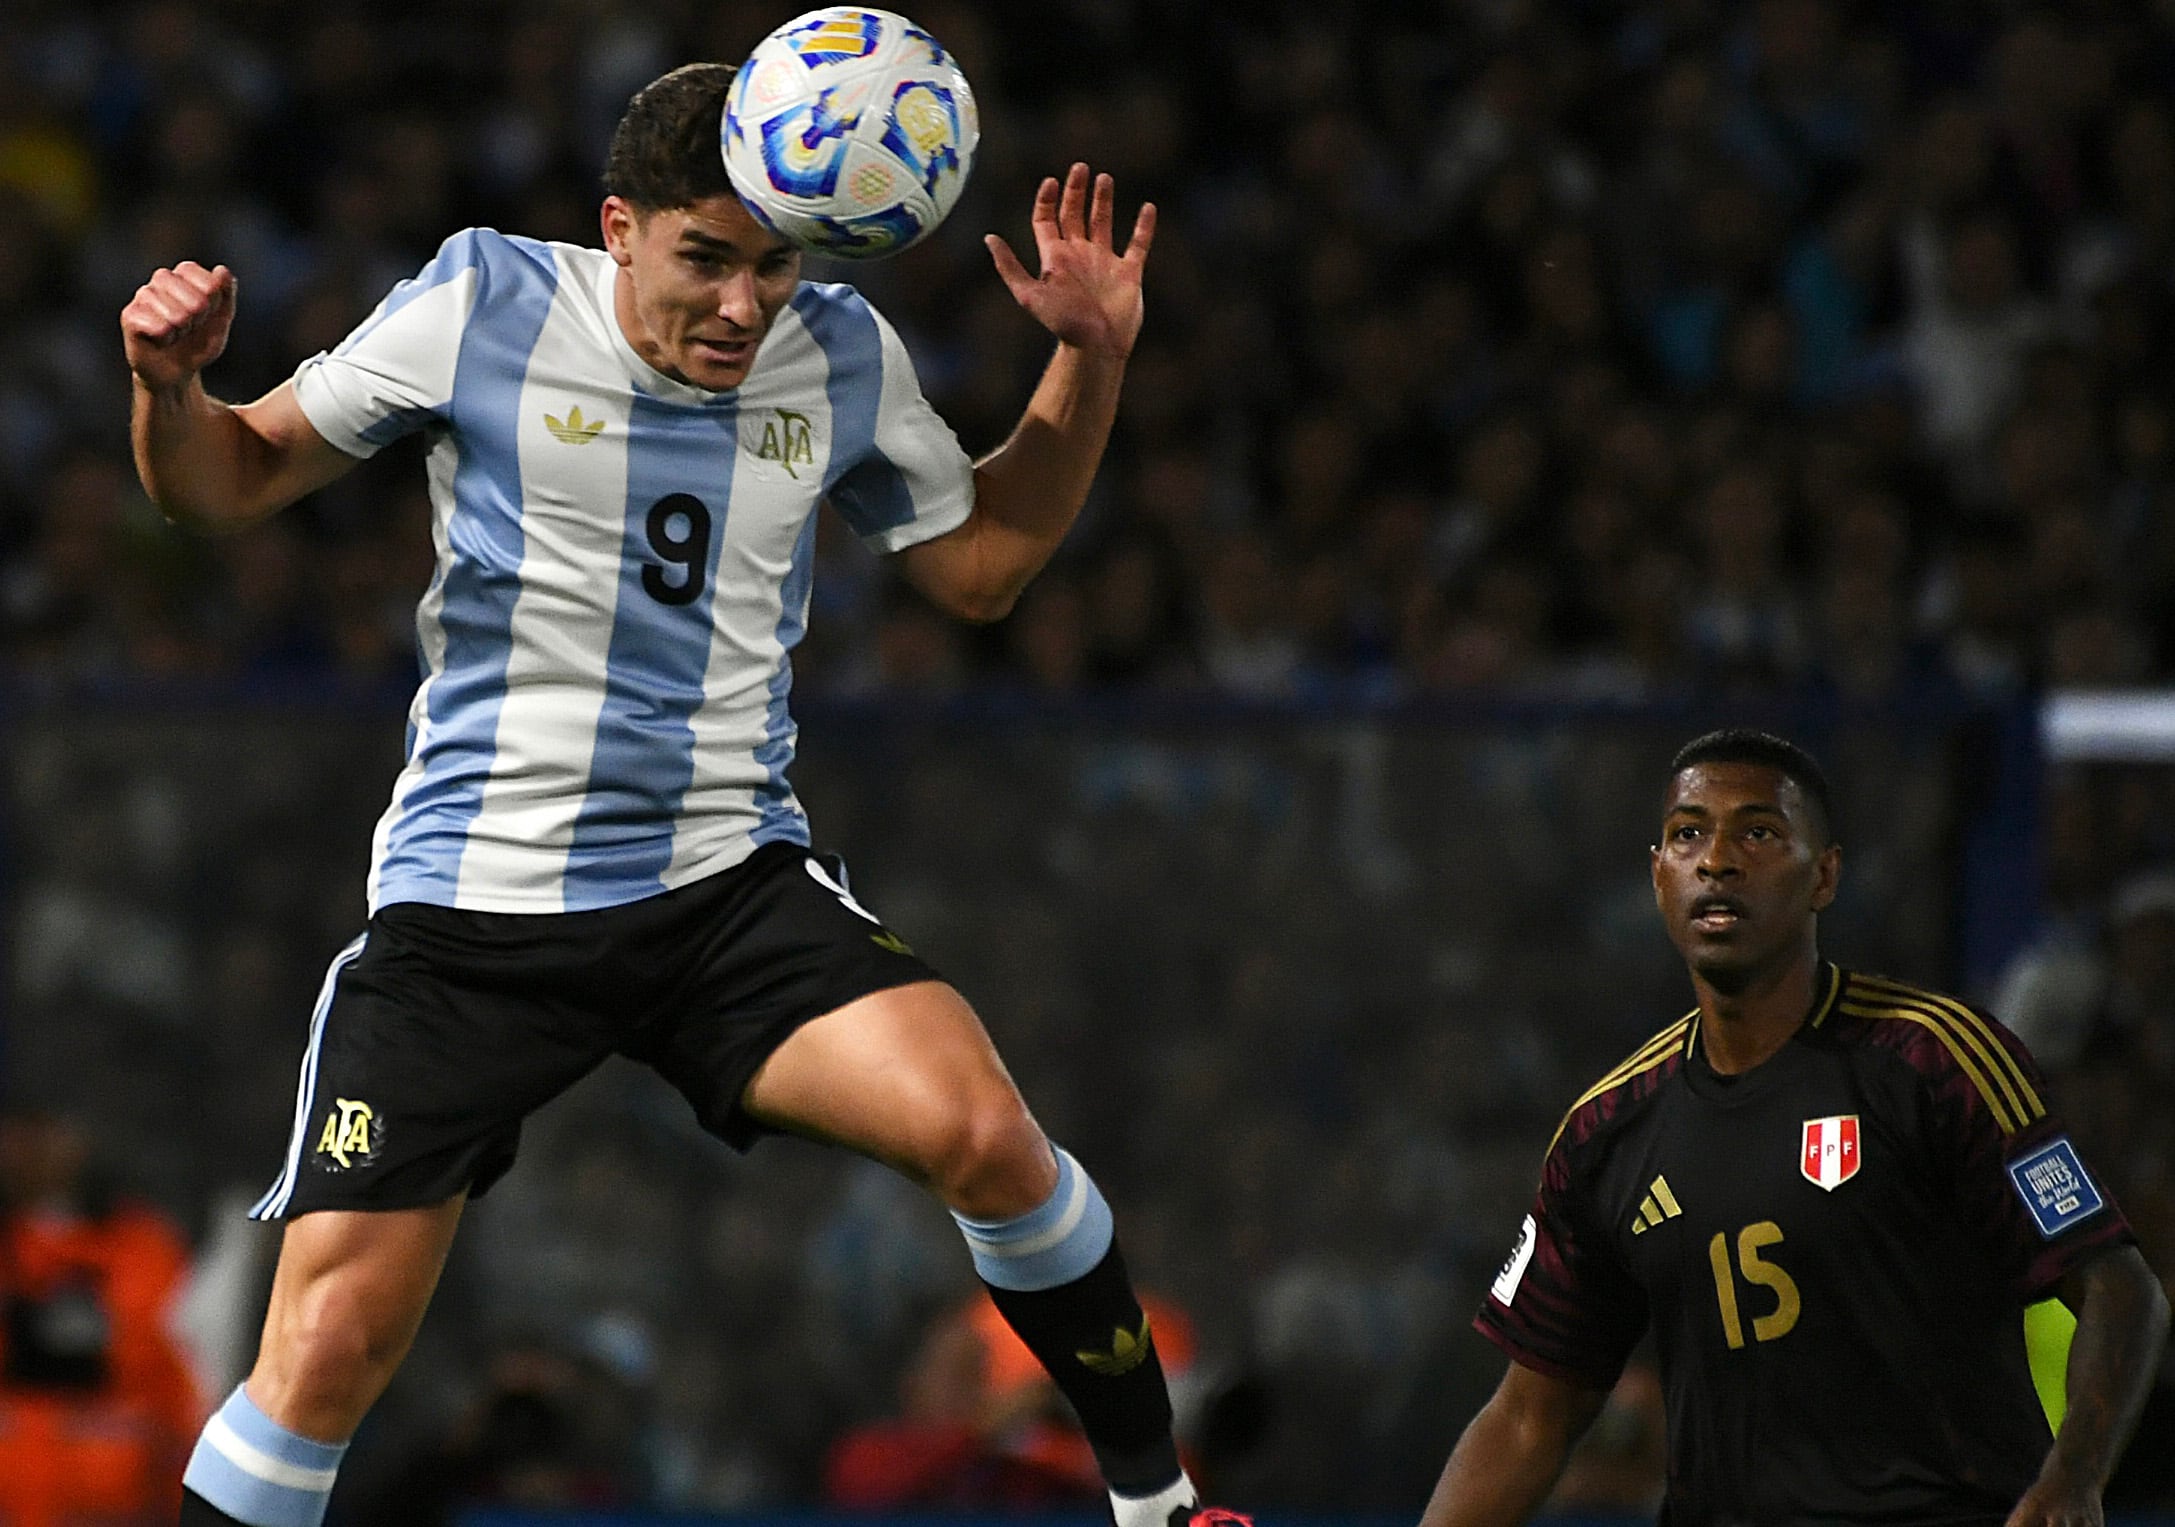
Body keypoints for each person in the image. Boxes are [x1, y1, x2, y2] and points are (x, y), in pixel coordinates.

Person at [121, 60, 1243, 1527]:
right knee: (325, 1345)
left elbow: (984, 565)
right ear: (618, 228)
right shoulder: (482, 303)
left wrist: (1088, 357)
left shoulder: (837, 352)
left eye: (772, 265)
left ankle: (1158, 1506)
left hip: (720, 888)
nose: (740, 305)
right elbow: (223, 482)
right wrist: (170, 388)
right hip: (472, 915)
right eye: (704, 259)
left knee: (982, 1131)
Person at [1421, 729, 2171, 1527]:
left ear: (1824, 876)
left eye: (1757, 831)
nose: (1716, 859)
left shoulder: (1933, 1058)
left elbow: (2118, 1285)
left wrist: (2072, 1477)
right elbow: (1528, 1415)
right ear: (1656, 875)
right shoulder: (1604, 1130)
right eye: (1687, 833)